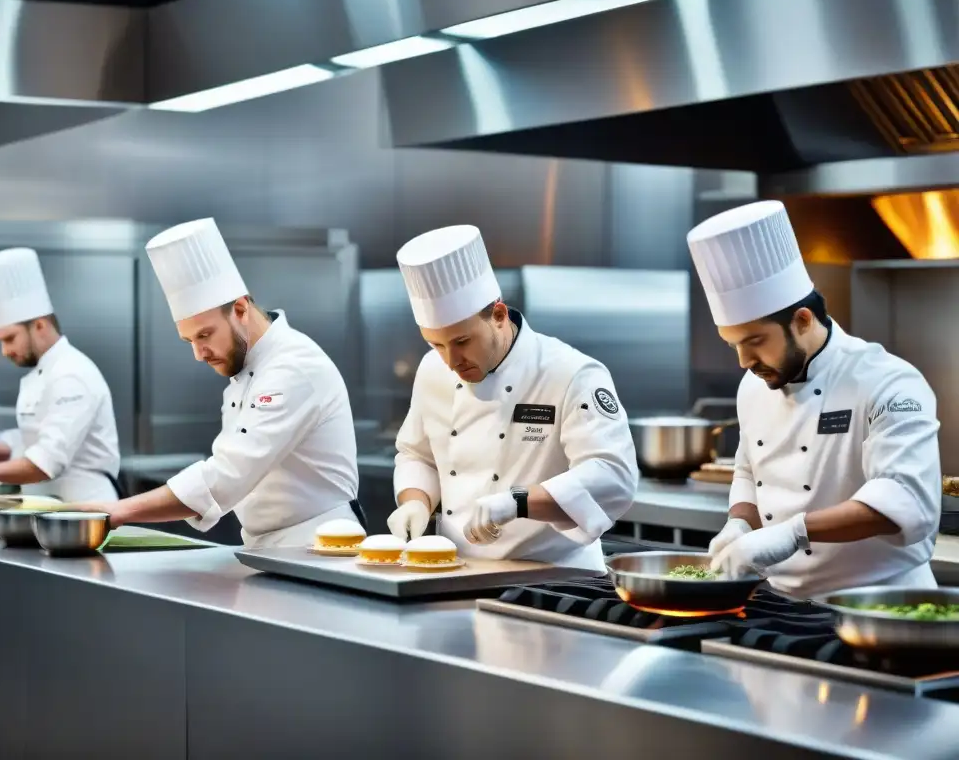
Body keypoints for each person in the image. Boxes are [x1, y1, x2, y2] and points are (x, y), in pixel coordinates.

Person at [688, 200, 941, 597]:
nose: (743, 361)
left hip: (879, 603)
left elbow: (904, 498)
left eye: (755, 341)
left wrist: (794, 532)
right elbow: (748, 472)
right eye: (732, 344)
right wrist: (739, 523)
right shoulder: (754, 386)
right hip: (785, 603)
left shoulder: (889, 382)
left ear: (802, 320)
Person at [75, 218, 361, 548]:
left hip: (320, 545)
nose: (199, 354)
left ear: (240, 308)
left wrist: (119, 511)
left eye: (205, 335)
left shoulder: (293, 367)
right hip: (264, 547)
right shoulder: (246, 370)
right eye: (189, 341)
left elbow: (225, 476)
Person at [387, 225, 639, 572]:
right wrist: (414, 501)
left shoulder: (571, 373)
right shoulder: (434, 370)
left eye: (462, 341)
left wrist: (517, 502)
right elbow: (418, 454)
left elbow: (612, 475)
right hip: (457, 570)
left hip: (555, 576)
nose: (451, 360)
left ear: (500, 316)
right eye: (436, 344)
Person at [0, 248, 122, 501]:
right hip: (47, 509)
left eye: (10, 339)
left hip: (86, 512)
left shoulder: (72, 375)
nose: (5, 351)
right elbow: (35, 434)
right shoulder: (44, 372)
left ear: (39, 325)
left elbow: (46, 461)